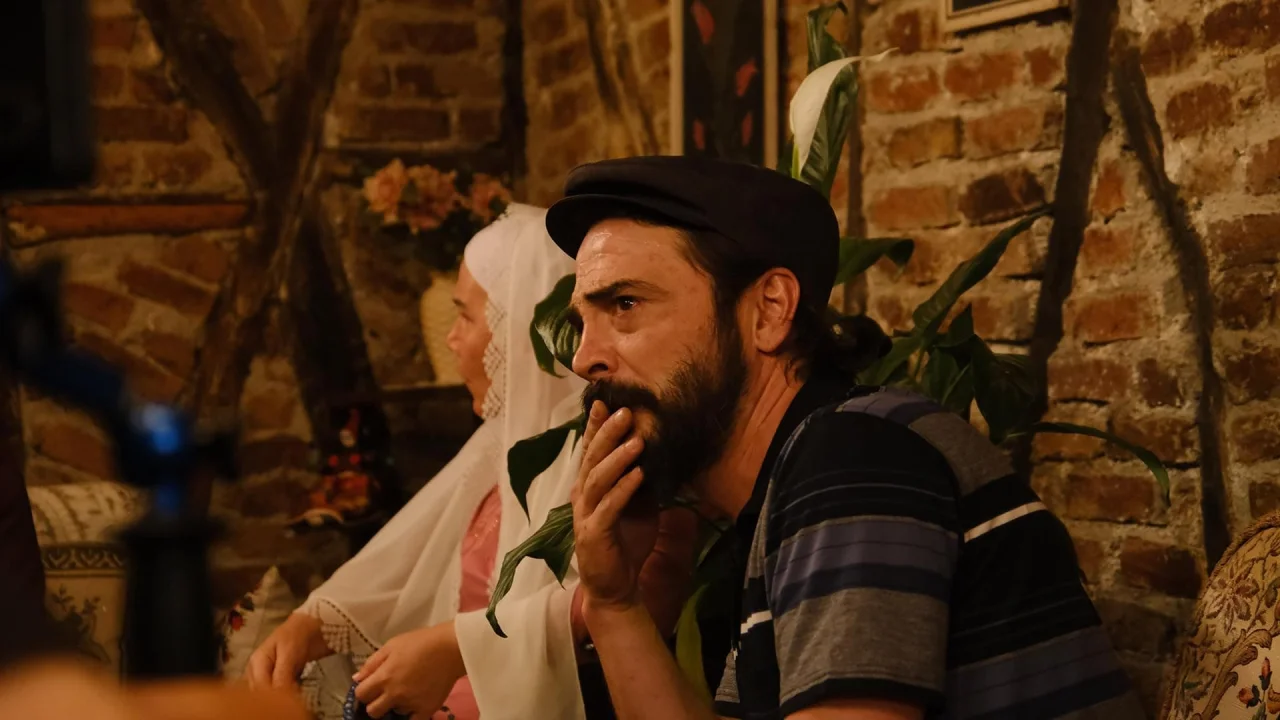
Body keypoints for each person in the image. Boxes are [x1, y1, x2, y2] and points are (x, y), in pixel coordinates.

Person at [544, 156, 1145, 720]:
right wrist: (614, 602)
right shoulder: (795, 484)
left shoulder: (852, 461)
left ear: (769, 310)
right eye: (581, 324)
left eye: (625, 303)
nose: (584, 358)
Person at [246, 204, 596, 720]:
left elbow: (595, 607)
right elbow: (404, 560)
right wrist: (307, 624)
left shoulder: (589, 454)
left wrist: (456, 647)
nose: (452, 339)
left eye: (466, 316)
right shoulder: (499, 446)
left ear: (521, 329)